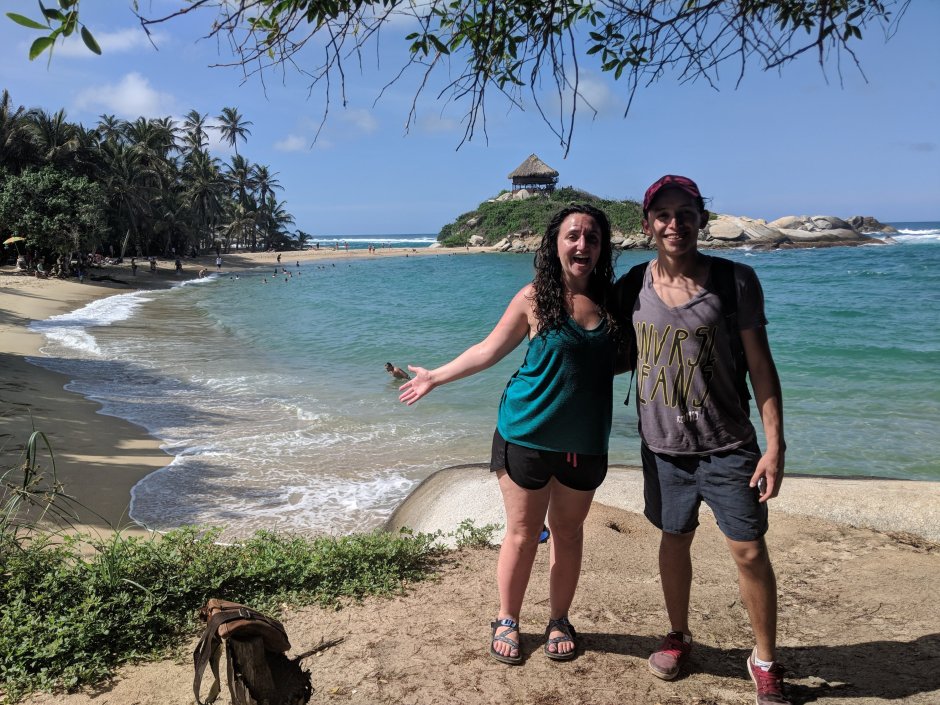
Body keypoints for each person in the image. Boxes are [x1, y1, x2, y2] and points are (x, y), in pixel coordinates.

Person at [399, 204, 623, 665]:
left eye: (592, 238)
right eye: (573, 236)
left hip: (585, 443)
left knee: (568, 534)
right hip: (526, 433)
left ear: (603, 247)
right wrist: (435, 377)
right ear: (555, 244)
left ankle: (559, 620)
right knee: (522, 535)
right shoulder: (533, 298)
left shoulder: (615, 303)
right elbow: (488, 349)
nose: (582, 245)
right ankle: (507, 619)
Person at [615, 175, 789, 704]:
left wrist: (776, 446)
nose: (675, 224)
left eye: (686, 214)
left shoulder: (736, 280)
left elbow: (761, 367)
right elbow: (590, 335)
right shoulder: (631, 286)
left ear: (702, 220)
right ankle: (678, 635)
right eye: (663, 215)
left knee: (749, 550)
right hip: (663, 448)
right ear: (648, 225)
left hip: (728, 445)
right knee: (674, 540)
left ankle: (764, 660)